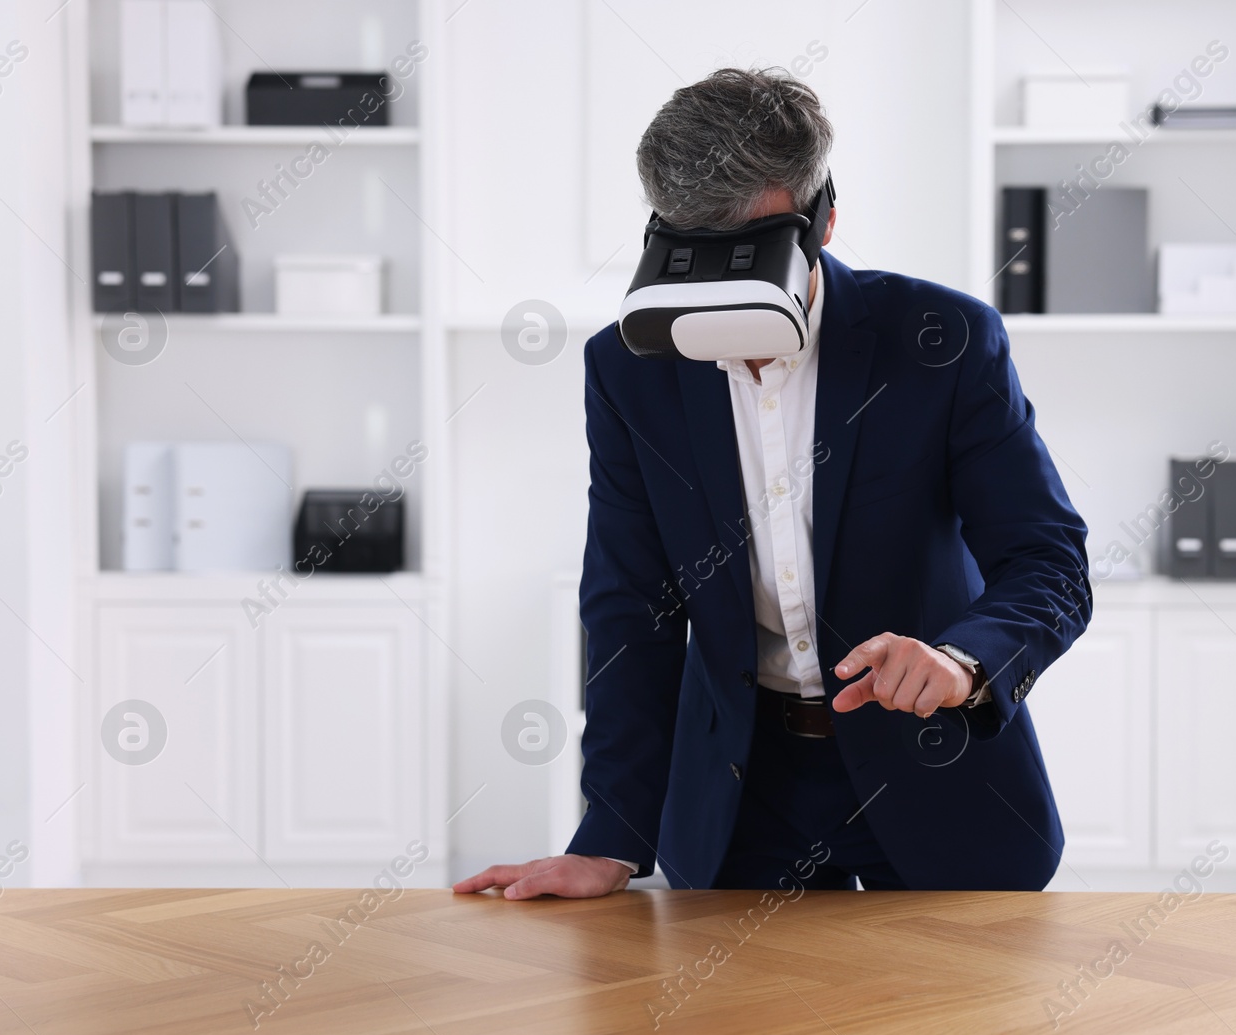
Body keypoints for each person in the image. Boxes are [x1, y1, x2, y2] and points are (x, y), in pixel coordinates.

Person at [456, 67, 1090, 899]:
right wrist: (611, 833)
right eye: (698, 247)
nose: (722, 285)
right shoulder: (628, 369)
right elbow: (627, 605)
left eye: (747, 249)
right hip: (740, 795)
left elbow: (1048, 560)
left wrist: (960, 659)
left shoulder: (943, 340)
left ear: (825, 216)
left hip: (933, 774)